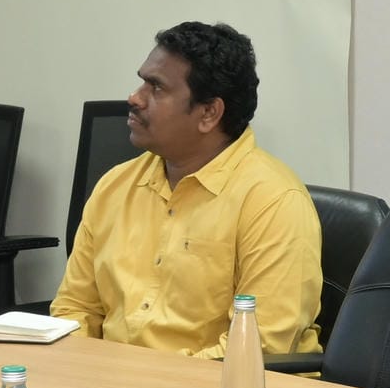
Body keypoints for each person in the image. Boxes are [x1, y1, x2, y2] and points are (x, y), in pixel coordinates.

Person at [50, 20, 324, 358]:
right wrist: (83, 371)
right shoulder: (115, 185)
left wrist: (140, 378)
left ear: (209, 113)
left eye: (156, 88)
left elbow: (260, 346)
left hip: (225, 387)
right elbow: (75, 308)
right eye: (142, 82)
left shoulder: (273, 201)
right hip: (116, 382)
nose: (134, 98)